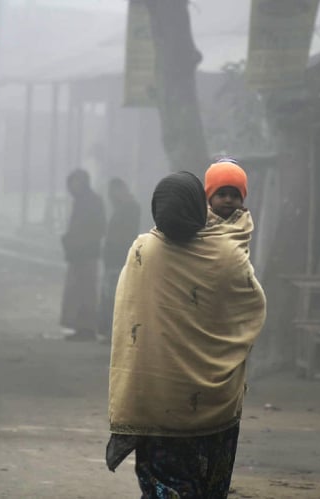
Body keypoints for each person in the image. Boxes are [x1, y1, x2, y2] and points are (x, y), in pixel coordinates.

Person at [106, 171, 266, 498]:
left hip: (155, 401)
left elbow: (130, 317)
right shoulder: (228, 253)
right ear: (200, 203)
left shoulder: (143, 249)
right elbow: (251, 308)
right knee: (209, 487)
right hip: (215, 402)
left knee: (165, 486)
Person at [60, 169, 106, 341]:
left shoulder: (93, 201)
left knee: (87, 291)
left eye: (76, 182)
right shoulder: (79, 202)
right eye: (72, 182)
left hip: (88, 252)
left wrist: (83, 239)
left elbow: (99, 227)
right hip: (77, 253)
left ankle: (87, 328)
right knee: (75, 291)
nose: (74, 186)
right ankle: (80, 326)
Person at [98, 177, 141, 341]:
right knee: (112, 294)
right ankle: (112, 330)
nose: (114, 195)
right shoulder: (123, 208)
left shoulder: (130, 208)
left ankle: (117, 331)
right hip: (115, 257)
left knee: (117, 295)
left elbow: (125, 234)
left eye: (116, 191)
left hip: (120, 256)